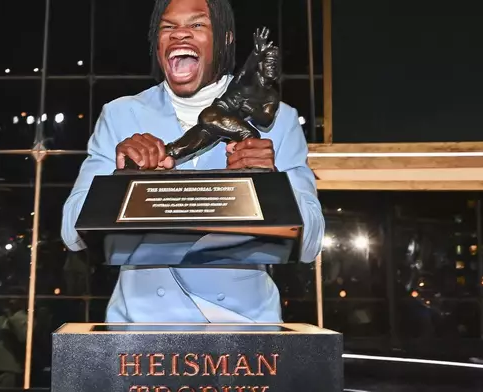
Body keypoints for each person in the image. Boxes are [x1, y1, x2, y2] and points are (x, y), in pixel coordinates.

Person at [61, 0, 324, 323]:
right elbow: (71, 232)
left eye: (197, 25)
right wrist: (123, 177)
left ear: (225, 38)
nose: (180, 34)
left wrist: (270, 182)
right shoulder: (121, 115)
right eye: (168, 27)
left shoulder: (280, 120)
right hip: (140, 332)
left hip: (245, 331)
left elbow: (311, 243)